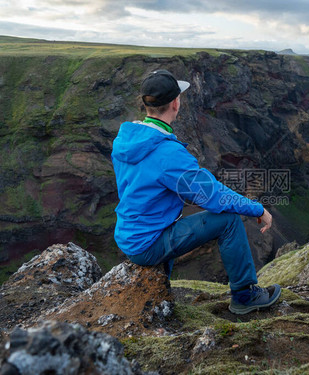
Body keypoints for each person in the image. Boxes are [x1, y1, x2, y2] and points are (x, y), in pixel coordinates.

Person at [111, 70, 281, 314]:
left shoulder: (126, 140)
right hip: (147, 243)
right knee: (228, 220)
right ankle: (245, 296)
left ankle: (163, 287)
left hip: (129, 234)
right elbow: (213, 196)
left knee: (172, 220)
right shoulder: (167, 154)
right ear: (175, 103)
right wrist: (257, 208)